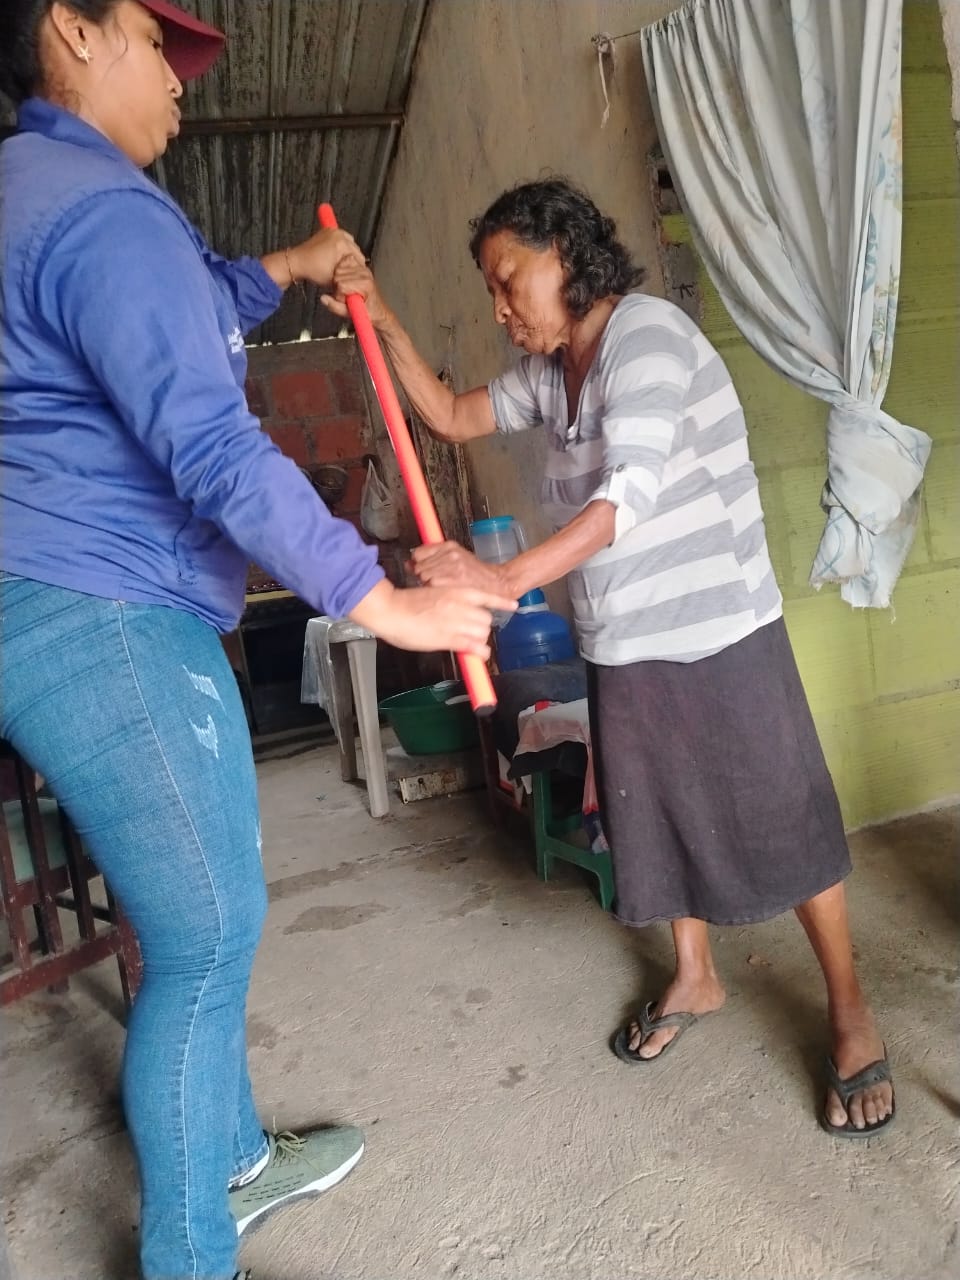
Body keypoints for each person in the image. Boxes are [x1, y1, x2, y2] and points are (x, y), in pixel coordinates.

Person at [0, 4, 516, 1279]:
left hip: (68, 599)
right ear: (72, 29)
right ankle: (191, 1251)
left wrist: (289, 264)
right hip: (106, 607)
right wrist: (379, 598)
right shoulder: (97, 211)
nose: (181, 81)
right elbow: (214, 445)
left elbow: (195, 311)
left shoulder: (45, 193)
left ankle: (234, 1159)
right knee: (204, 933)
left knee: (204, 911)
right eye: (154, 38)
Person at [323, 177, 896, 1141]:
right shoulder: (555, 373)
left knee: (782, 812)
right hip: (623, 640)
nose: (501, 308)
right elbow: (451, 415)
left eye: (510, 280)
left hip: (717, 628)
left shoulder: (647, 341)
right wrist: (378, 314)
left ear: (568, 257)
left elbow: (624, 499)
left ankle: (849, 1009)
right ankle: (697, 975)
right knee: (658, 817)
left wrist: (501, 579)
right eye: (493, 290)